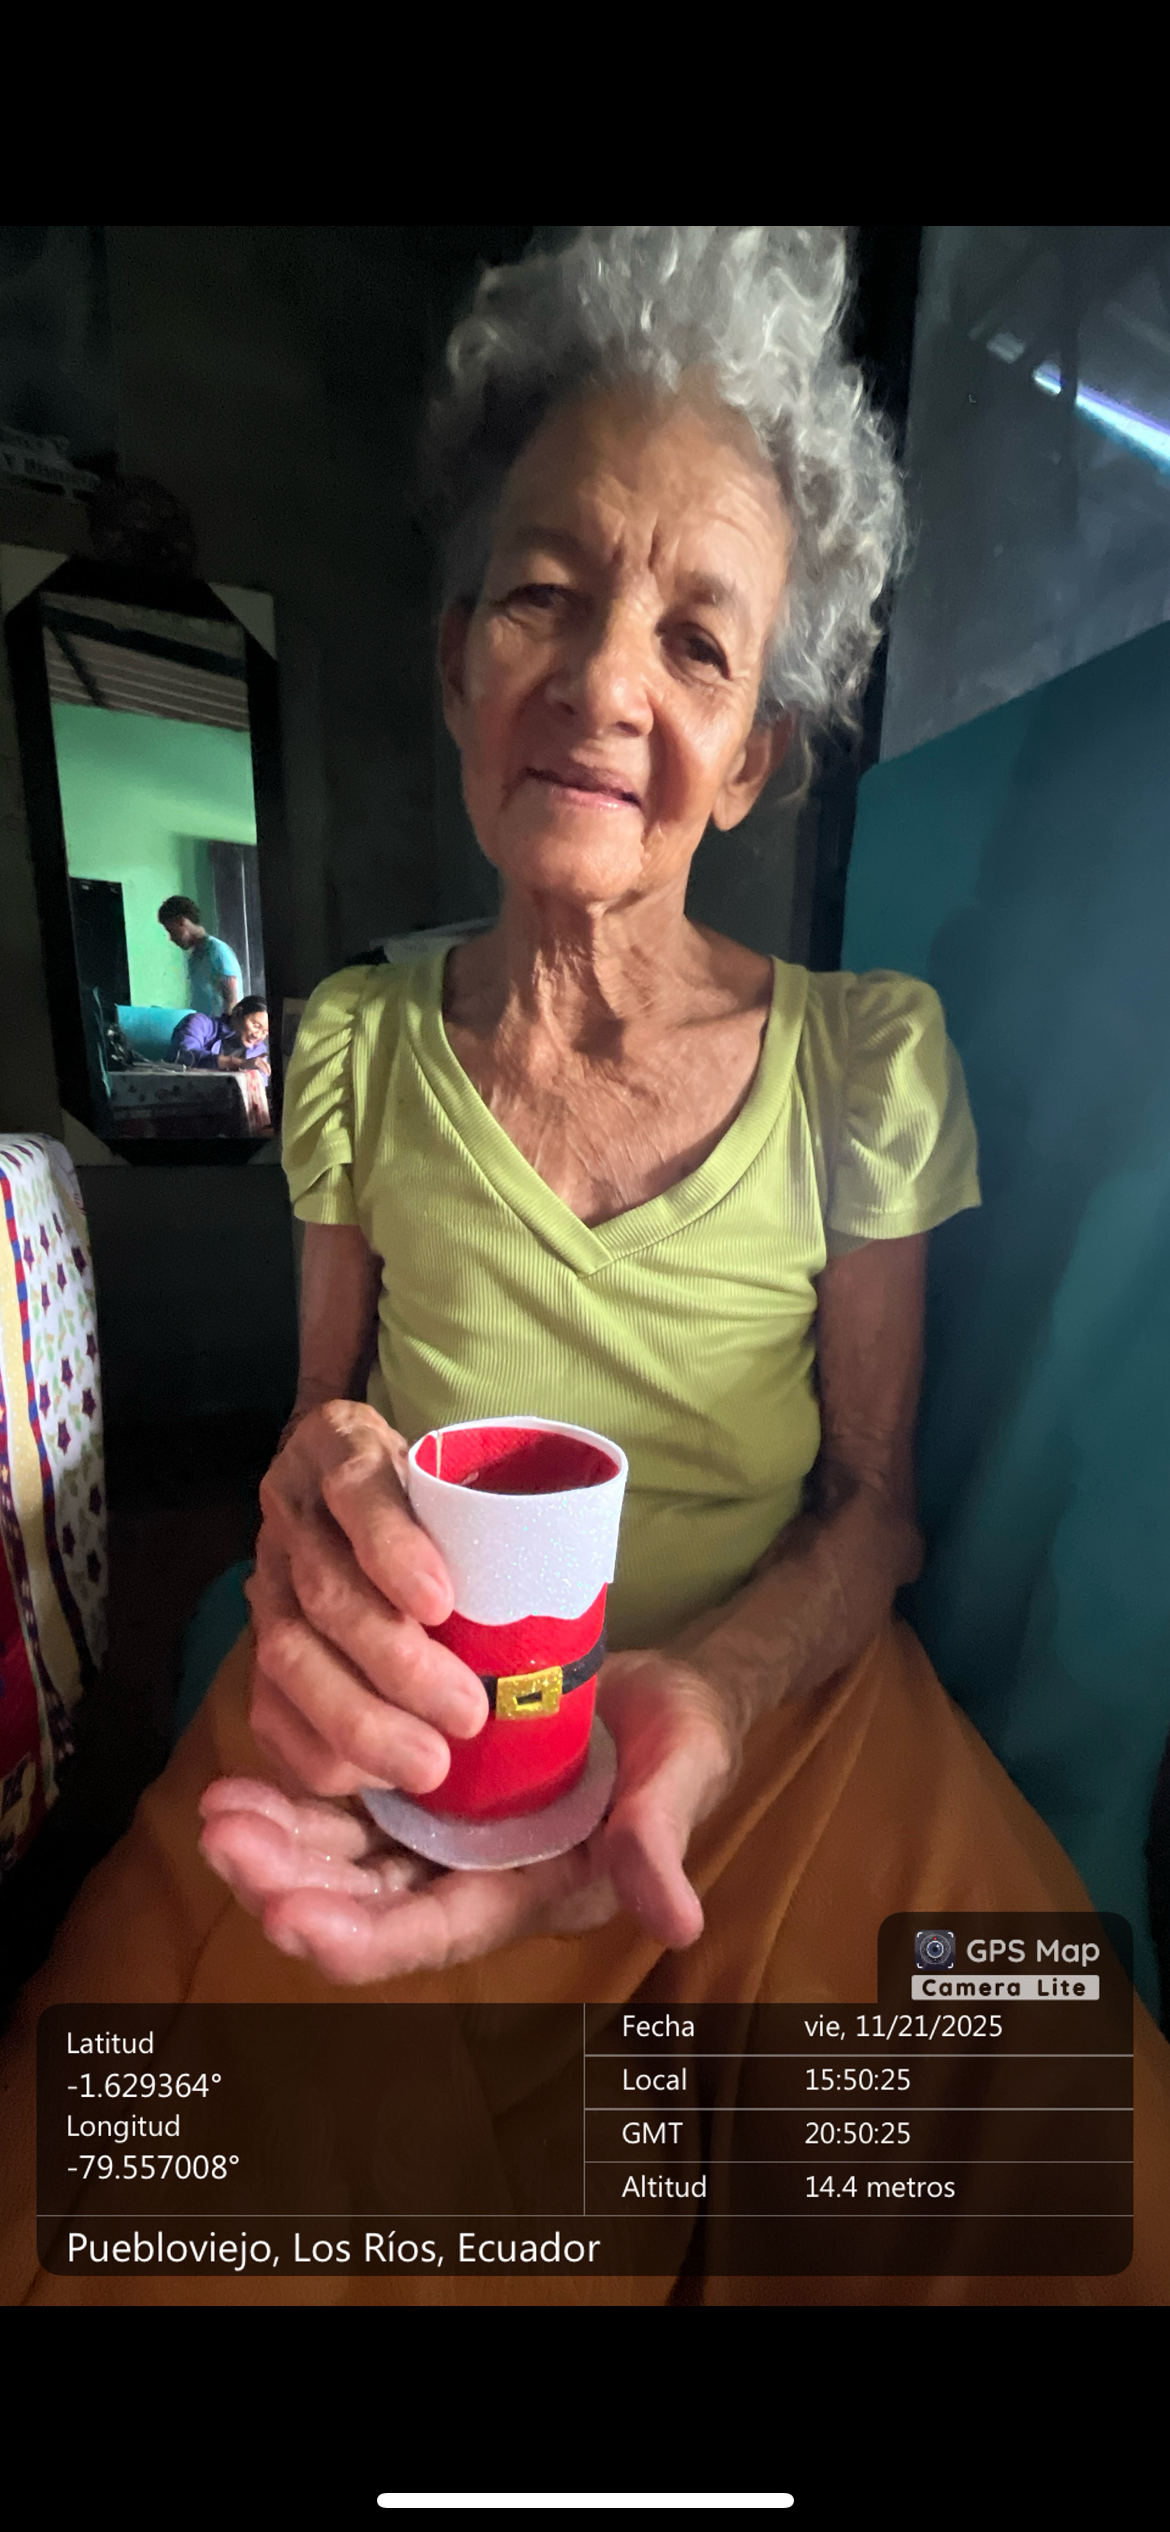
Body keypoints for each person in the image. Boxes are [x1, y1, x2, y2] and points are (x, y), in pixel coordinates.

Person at [3, 227, 1170, 2310]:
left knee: (1088, 2211)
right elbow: (321, 1416)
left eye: (698, 642)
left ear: (757, 755)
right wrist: (309, 1513)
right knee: (95, 2206)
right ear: (458, 654)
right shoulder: (355, 1043)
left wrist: (708, 1691)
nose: (607, 682)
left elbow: (874, 1505)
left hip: (780, 1713)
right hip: (421, 1734)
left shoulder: (865, 1061)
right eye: (544, 593)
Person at [157, 896, 242, 1017]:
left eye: (171, 931)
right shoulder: (194, 957)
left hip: (217, 1026)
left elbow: (232, 998)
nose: (171, 938)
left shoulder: (215, 949)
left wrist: (226, 1025)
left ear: (181, 921)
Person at [168, 996, 270, 1073]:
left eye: (265, 1032)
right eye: (256, 1026)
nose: (257, 1036)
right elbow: (184, 1056)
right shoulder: (200, 1023)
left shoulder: (259, 1052)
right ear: (237, 1013)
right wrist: (239, 1063)